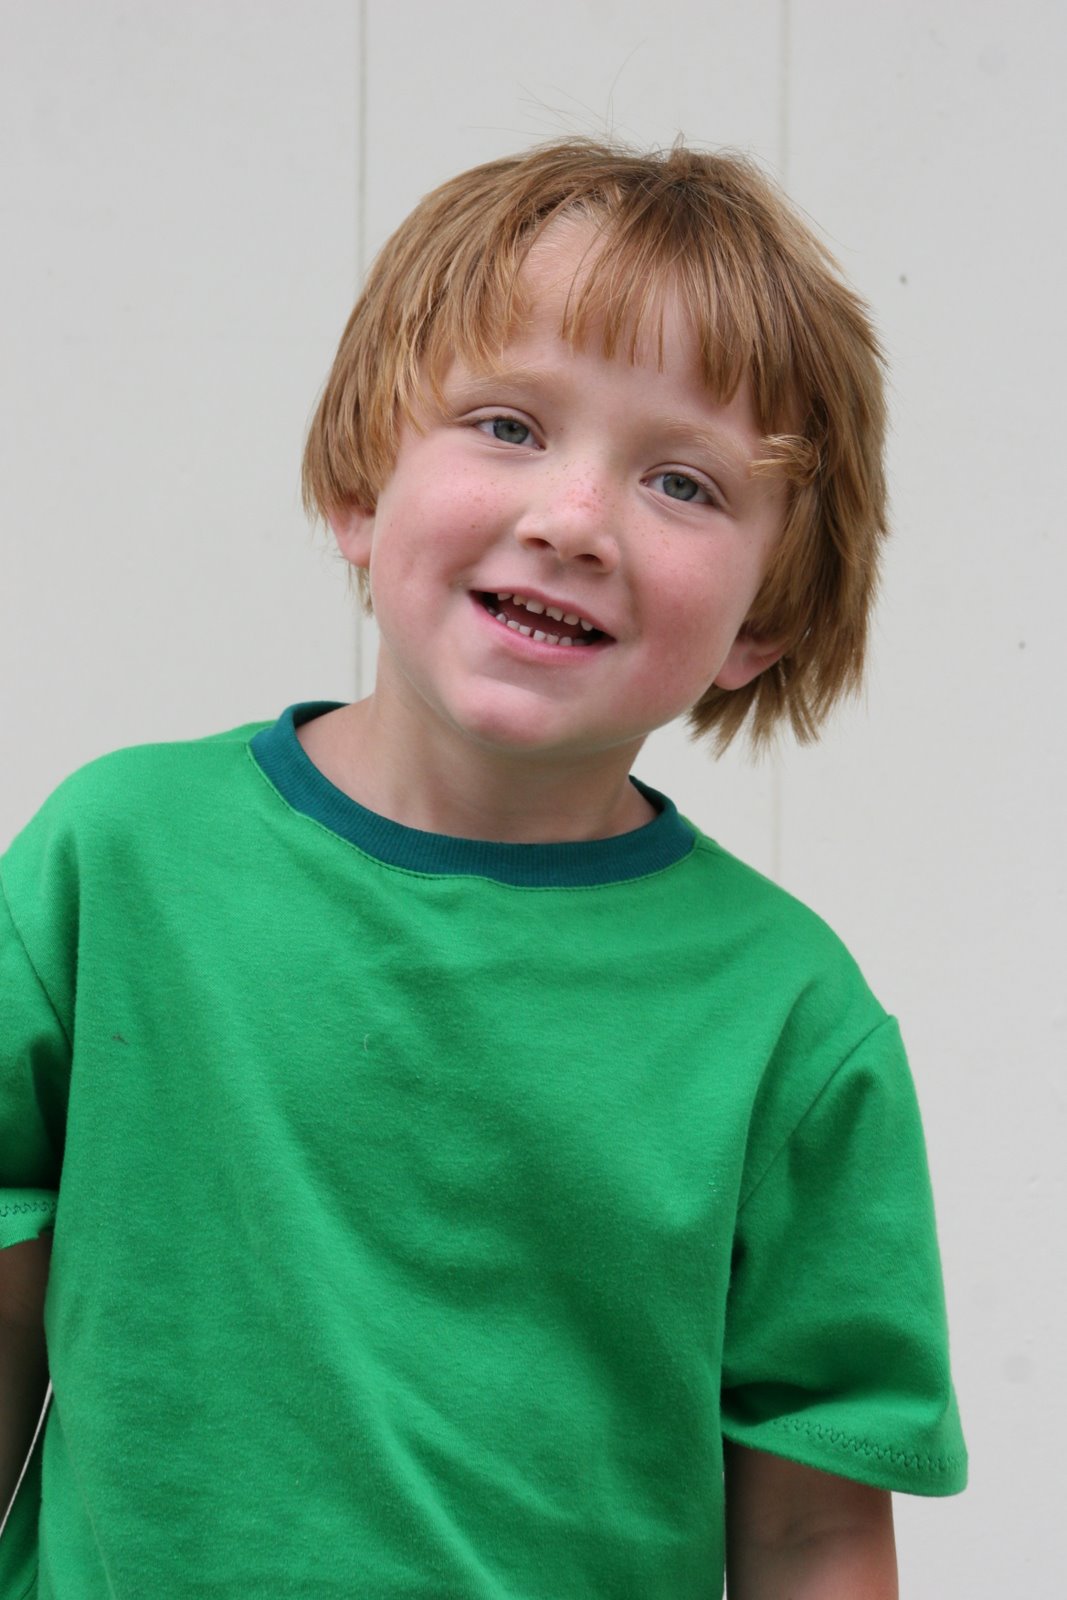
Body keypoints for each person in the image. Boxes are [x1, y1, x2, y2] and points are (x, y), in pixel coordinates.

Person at [0, 139, 966, 1598]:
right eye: (509, 424)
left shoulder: (791, 1021)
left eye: (684, 483)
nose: (574, 521)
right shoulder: (116, 862)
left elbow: (811, 1530)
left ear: (766, 620)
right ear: (360, 488)